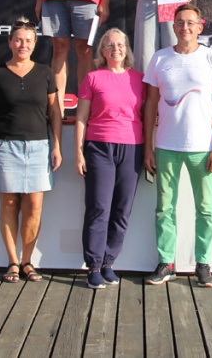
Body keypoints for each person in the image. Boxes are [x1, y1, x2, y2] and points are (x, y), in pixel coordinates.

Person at [143, 4, 212, 287]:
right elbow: (150, 106)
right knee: (164, 209)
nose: (185, 28)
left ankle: (203, 264)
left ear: (200, 26)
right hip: (165, 146)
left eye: (191, 23)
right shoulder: (159, 58)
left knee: (205, 209)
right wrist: (148, 148)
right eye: (180, 22)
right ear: (173, 26)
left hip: (203, 148)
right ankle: (166, 263)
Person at [0, 18, 62, 283]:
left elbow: (54, 113)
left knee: (34, 206)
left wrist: (57, 146)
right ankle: (12, 262)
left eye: (28, 40)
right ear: (10, 42)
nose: (23, 45)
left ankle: (27, 261)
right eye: (18, 40)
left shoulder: (45, 73)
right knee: (10, 203)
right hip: (3, 147)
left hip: (39, 147)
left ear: (34, 44)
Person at [75, 28, 145, 289]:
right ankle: (93, 265)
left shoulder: (139, 79)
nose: (116, 49)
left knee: (122, 210)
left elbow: (148, 114)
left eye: (120, 44)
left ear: (127, 49)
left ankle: (108, 262)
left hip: (132, 147)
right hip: (99, 148)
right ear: (102, 51)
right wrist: (78, 152)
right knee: (99, 208)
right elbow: (81, 118)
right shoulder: (93, 78)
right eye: (110, 45)